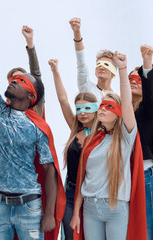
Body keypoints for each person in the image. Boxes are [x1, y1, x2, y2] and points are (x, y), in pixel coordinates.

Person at [0, 12, 65, 240]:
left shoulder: (38, 126)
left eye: (22, 81)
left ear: (31, 95)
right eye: (13, 79)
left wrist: (49, 215)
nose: (14, 80)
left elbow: (49, 172)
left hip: (29, 205)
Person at [69, 51, 147, 240]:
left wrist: (122, 70)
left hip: (116, 207)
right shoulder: (91, 140)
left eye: (109, 106)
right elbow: (82, 179)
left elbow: (127, 104)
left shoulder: (126, 138)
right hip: (90, 208)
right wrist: (76, 213)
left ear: (119, 112)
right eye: (101, 105)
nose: (102, 108)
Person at [48, 59, 98, 240]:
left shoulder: (104, 134)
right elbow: (63, 100)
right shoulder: (76, 129)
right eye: (79, 109)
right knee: (70, 235)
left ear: (96, 110)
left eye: (87, 108)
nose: (82, 113)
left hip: (93, 196)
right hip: (71, 193)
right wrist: (55, 71)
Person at [129, 45, 153, 240]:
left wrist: (147, 64)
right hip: (123, 177)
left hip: (144, 177)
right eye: (130, 80)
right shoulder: (121, 113)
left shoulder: (149, 110)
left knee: (146, 232)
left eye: (138, 79)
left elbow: (151, 95)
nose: (134, 82)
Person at [69, 17, 117, 103]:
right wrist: (77, 33)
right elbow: (81, 63)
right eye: (99, 64)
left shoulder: (118, 99)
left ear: (113, 73)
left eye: (106, 65)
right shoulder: (86, 87)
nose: (101, 67)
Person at [5, 25, 44, 117]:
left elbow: (36, 73)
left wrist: (29, 42)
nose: (16, 81)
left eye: (22, 80)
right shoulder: (5, 110)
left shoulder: (36, 104)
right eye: (14, 80)